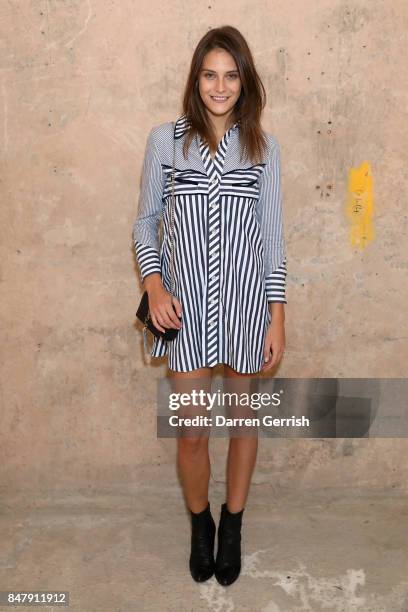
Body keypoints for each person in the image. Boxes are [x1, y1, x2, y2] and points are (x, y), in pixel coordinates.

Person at [133, 25, 287, 586]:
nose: (220, 86)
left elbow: (272, 239)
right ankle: (200, 525)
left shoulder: (263, 148)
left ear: (244, 82)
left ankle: (234, 522)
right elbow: (146, 222)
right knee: (193, 431)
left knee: (244, 422)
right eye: (209, 74)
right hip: (185, 311)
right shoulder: (165, 141)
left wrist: (277, 317)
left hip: (248, 307)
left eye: (230, 74)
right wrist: (153, 285)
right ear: (196, 79)